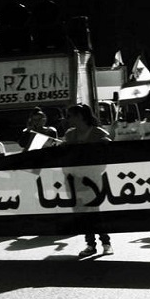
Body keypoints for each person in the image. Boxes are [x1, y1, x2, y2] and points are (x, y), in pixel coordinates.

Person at [61, 104, 113, 257]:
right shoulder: (70, 135)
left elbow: (108, 153)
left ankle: (106, 243)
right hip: (73, 179)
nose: (67, 119)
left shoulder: (99, 133)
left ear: (80, 116)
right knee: (82, 213)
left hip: (92, 180)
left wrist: (106, 144)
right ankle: (90, 244)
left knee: (94, 211)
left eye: (70, 116)